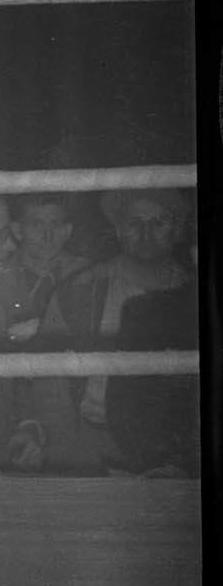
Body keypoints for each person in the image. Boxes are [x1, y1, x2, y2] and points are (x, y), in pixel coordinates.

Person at [63, 191, 197, 473]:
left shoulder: (194, 296)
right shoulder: (84, 288)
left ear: (177, 229)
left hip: (171, 453)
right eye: (135, 223)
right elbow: (49, 382)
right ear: (118, 230)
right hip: (91, 444)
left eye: (158, 222)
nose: (146, 233)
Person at [0, 193, 100, 471]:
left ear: (68, 230)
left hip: (64, 393)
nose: (48, 234)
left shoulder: (89, 275)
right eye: (37, 224)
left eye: (56, 224)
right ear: (18, 230)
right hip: (6, 394)